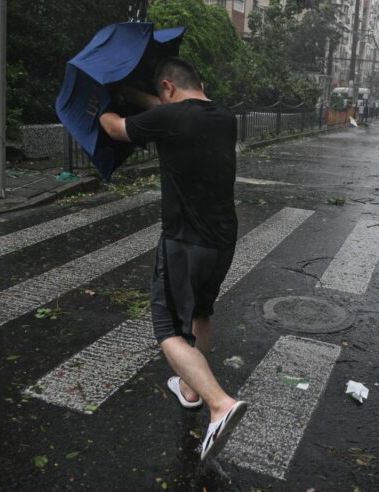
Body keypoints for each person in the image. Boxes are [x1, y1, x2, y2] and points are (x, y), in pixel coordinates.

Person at [99, 56, 247, 461]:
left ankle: (219, 403)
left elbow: (116, 128)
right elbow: (170, 111)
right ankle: (190, 389)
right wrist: (135, 94)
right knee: (200, 312)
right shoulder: (224, 117)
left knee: (166, 328)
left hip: (184, 239)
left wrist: (105, 106)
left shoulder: (169, 119)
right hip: (222, 239)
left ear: (167, 87)